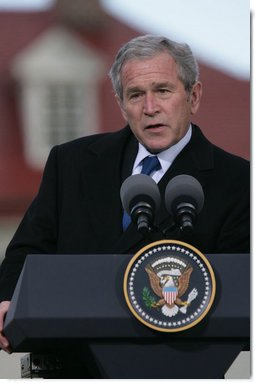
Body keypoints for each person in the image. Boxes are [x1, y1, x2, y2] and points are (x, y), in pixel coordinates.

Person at [0, 35, 249, 356]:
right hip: (73, 360)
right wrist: (6, 298)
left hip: (179, 361)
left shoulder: (239, 181)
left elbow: (241, 288)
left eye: (162, 90)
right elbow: (28, 249)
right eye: (135, 95)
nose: (150, 108)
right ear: (120, 104)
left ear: (194, 96)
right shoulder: (72, 163)